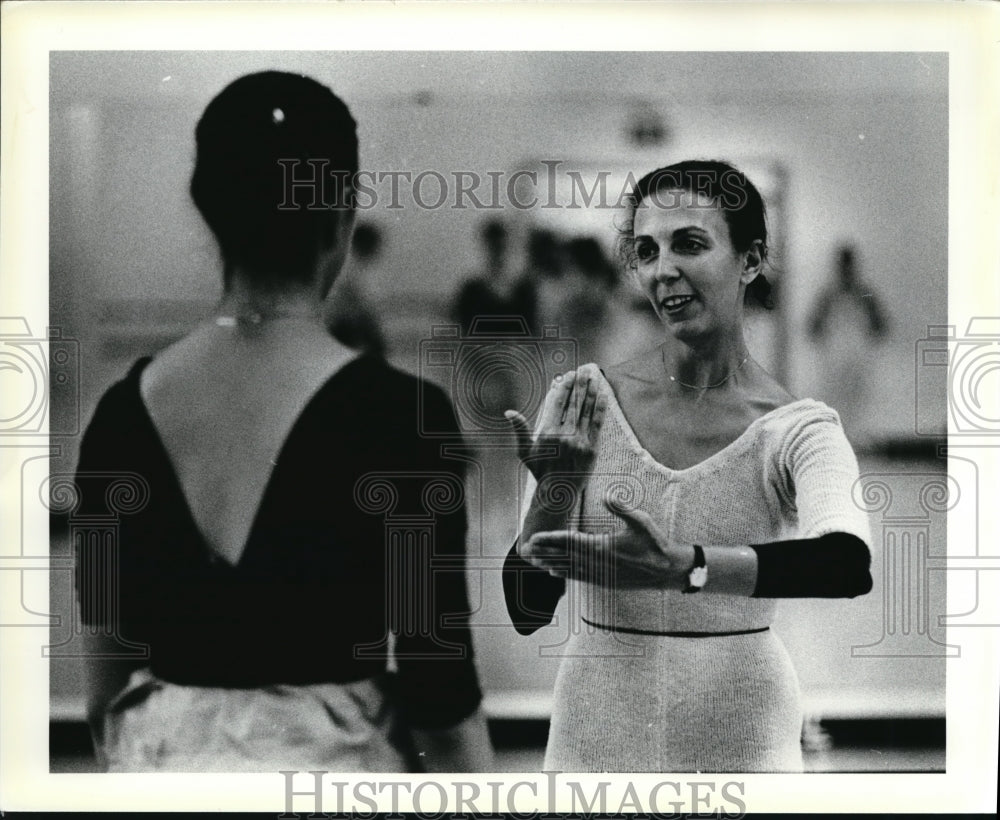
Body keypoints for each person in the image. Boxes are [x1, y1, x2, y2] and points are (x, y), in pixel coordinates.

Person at [74, 71, 492, 772]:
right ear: (342, 220)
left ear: (206, 209)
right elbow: (440, 695)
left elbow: (104, 689)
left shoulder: (120, 416)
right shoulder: (402, 418)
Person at [502, 159, 873, 772]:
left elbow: (845, 561)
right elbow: (526, 609)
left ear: (751, 260)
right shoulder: (582, 402)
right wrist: (555, 492)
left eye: (690, 244)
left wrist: (687, 567)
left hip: (742, 732)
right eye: (646, 250)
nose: (663, 269)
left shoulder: (798, 428)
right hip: (596, 733)